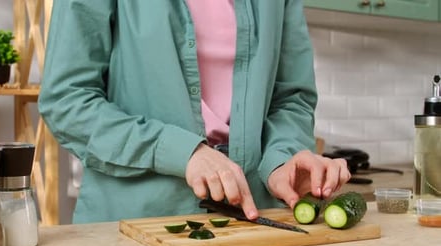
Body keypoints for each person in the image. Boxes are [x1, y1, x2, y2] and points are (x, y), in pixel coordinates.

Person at [38, 0, 350, 223]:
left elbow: (292, 98)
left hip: (251, 226)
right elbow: (67, 100)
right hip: (133, 224)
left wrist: (281, 160)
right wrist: (183, 152)